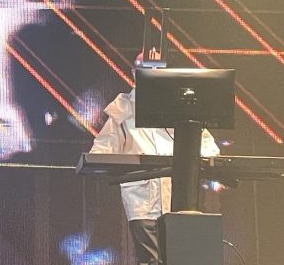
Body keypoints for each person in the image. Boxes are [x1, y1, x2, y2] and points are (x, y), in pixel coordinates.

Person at [89, 87, 219, 265]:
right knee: (151, 260)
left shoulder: (179, 108)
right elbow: (100, 153)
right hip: (143, 203)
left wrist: (192, 157)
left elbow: (210, 149)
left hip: (181, 202)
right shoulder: (124, 110)